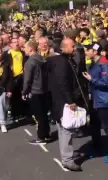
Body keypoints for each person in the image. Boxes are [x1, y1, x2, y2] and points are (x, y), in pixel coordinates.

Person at [49, 38, 88, 171]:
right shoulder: (62, 62)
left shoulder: (63, 60)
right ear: (64, 47)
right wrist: (70, 100)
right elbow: (62, 84)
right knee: (67, 130)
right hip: (63, 102)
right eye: (72, 46)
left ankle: (67, 155)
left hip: (60, 101)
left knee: (63, 129)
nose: (75, 49)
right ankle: (67, 159)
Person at [22, 40, 50, 144]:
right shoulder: (42, 59)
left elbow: (27, 79)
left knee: (39, 116)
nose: (24, 49)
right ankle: (46, 134)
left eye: (25, 47)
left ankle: (41, 137)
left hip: (35, 91)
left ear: (30, 48)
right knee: (44, 114)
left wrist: (24, 92)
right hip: (44, 89)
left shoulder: (30, 62)